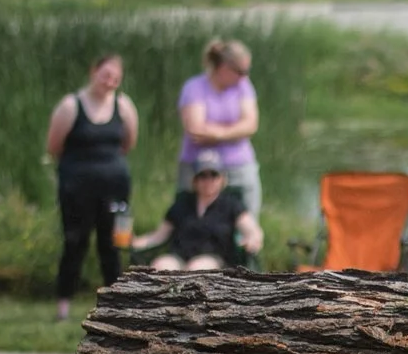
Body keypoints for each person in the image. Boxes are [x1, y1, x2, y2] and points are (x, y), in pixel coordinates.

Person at [45, 53, 139, 320]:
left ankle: (117, 305)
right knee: (75, 243)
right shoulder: (70, 105)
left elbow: (129, 142)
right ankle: (63, 305)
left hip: (116, 186)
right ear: (93, 72)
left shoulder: (124, 105)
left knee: (115, 244)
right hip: (77, 186)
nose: (109, 82)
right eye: (105, 75)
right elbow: (53, 146)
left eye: (115, 78)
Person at [133, 152, 263, 271]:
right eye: (203, 175)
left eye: (213, 175)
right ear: (195, 180)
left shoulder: (231, 205)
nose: (208, 180)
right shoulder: (182, 204)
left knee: (197, 269)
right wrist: (135, 242)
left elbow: (252, 229)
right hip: (179, 256)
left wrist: (253, 239)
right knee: (161, 266)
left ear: (222, 179)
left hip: (215, 260)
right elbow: (159, 235)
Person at [176, 38, 260, 212]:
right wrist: (234, 133)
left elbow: (250, 125)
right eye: (241, 71)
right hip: (198, 166)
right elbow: (195, 130)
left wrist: (216, 134)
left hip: (239, 165)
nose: (245, 77)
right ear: (223, 68)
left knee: (246, 220)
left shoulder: (244, 87)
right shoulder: (194, 88)